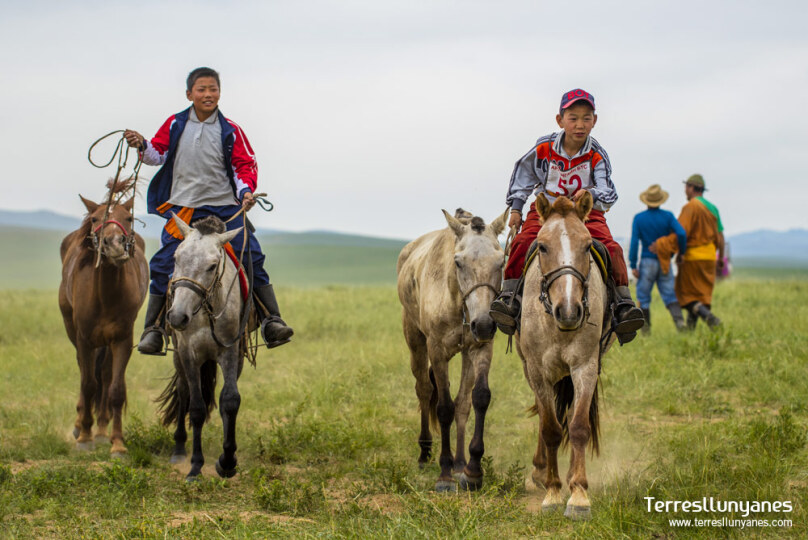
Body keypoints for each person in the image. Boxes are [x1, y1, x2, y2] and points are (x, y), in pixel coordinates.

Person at [123, 67, 294, 354]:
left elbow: (244, 165)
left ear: (219, 92)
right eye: (201, 89)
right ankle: (153, 329)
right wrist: (142, 144)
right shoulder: (175, 124)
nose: (207, 94)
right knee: (164, 263)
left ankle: (270, 320)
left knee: (252, 255)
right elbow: (157, 154)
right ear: (189, 94)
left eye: (212, 89)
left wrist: (246, 192)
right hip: (185, 211)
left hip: (225, 209)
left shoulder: (231, 130)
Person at [489, 88, 645, 344]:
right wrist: (516, 208)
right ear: (560, 120)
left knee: (612, 248)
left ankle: (623, 305)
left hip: (585, 214)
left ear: (595, 121)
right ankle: (510, 299)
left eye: (586, 118)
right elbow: (523, 175)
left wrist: (591, 194)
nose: (580, 125)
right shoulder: (544, 148)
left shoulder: (597, 154)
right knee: (521, 243)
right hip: (547, 212)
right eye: (573, 118)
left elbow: (608, 190)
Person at [651, 174, 723, 329]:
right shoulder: (713, 209)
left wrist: (662, 244)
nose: (685, 191)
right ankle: (690, 334)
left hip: (692, 257)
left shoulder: (691, 207)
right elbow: (720, 236)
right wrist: (721, 258)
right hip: (710, 257)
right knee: (700, 296)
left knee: (685, 295)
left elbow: (681, 233)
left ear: (691, 187)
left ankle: (710, 318)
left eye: (686, 187)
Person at [629, 184, 687, 333]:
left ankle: (646, 331)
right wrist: (681, 252)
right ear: (661, 200)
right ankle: (680, 324)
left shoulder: (639, 218)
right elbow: (681, 234)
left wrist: (633, 264)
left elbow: (635, 242)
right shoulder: (668, 216)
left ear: (646, 201)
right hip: (665, 262)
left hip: (647, 263)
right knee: (670, 295)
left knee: (643, 296)